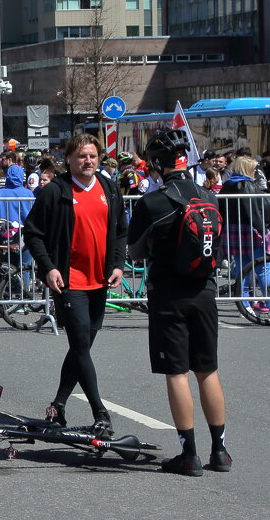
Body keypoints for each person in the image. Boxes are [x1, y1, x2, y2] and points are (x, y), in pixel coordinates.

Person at [128, 128, 231, 476]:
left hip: (169, 294)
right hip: (205, 291)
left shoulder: (153, 202)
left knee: (176, 372)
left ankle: (189, 454)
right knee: (207, 370)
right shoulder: (208, 196)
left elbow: (134, 248)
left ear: (156, 164)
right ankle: (221, 450)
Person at [23, 133, 126, 435]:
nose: (88, 161)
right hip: (70, 282)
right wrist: (49, 268)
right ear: (68, 159)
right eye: (82, 156)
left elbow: (120, 230)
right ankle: (101, 413)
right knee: (80, 343)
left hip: (100, 280)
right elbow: (33, 233)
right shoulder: (56, 191)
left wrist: (118, 264)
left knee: (82, 347)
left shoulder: (108, 186)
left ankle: (57, 407)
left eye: (93, 155)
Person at [218, 155, 269, 314]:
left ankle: (244, 303)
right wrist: (263, 230)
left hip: (233, 230)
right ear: (247, 169)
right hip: (250, 230)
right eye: (253, 168)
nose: (255, 171)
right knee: (263, 267)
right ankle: (267, 301)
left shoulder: (227, 184)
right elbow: (253, 211)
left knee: (242, 268)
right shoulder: (246, 185)